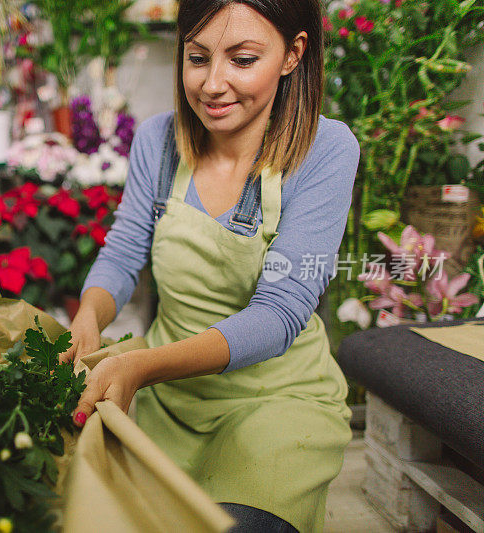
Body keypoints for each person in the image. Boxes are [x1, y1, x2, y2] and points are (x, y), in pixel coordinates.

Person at [59, 0, 360, 531]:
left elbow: (281, 311)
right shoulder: (158, 140)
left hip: (275, 403)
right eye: (197, 58)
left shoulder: (324, 149)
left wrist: (141, 365)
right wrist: (88, 318)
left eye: (242, 60)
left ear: (293, 54)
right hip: (164, 401)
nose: (213, 84)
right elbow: (126, 251)